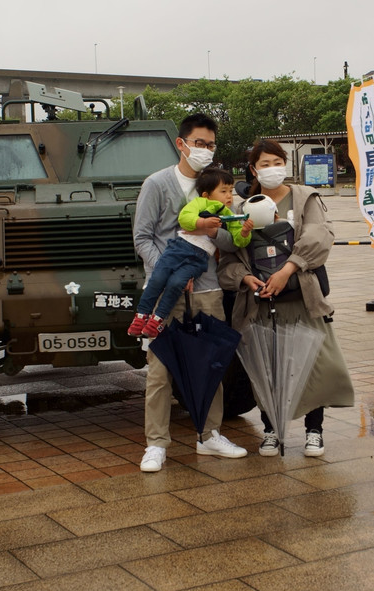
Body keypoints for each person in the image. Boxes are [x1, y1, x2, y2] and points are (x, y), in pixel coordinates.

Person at [217, 139, 354, 457]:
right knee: (266, 369)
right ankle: (270, 430)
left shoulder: (306, 197)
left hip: (302, 298)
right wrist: (244, 278)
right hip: (260, 305)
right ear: (253, 169)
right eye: (264, 164)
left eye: (277, 162)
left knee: (313, 367)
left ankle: (314, 431)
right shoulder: (240, 208)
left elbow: (319, 237)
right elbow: (229, 261)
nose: (272, 169)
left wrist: (288, 269)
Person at [132, 113, 248, 471]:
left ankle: (209, 435)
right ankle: (156, 443)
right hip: (167, 290)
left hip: (208, 289)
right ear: (181, 144)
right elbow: (142, 237)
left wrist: (214, 231)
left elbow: (232, 240)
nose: (205, 150)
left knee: (210, 364)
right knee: (160, 368)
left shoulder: (221, 186)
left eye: (211, 145)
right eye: (199, 143)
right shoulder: (157, 184)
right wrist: (172, 273)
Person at [128, 168, 253, 338]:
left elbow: (236, 241)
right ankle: (141, 315)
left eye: (230, 191)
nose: (229, 196)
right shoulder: (200, 203)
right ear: (206, 195)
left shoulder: (228, 214)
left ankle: (157, 320)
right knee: (158, 278)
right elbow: (185, 218)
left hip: (198, 260)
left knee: (176, 283)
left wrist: (244, 233)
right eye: (223, 191)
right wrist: (202, 223)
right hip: (179, 249)